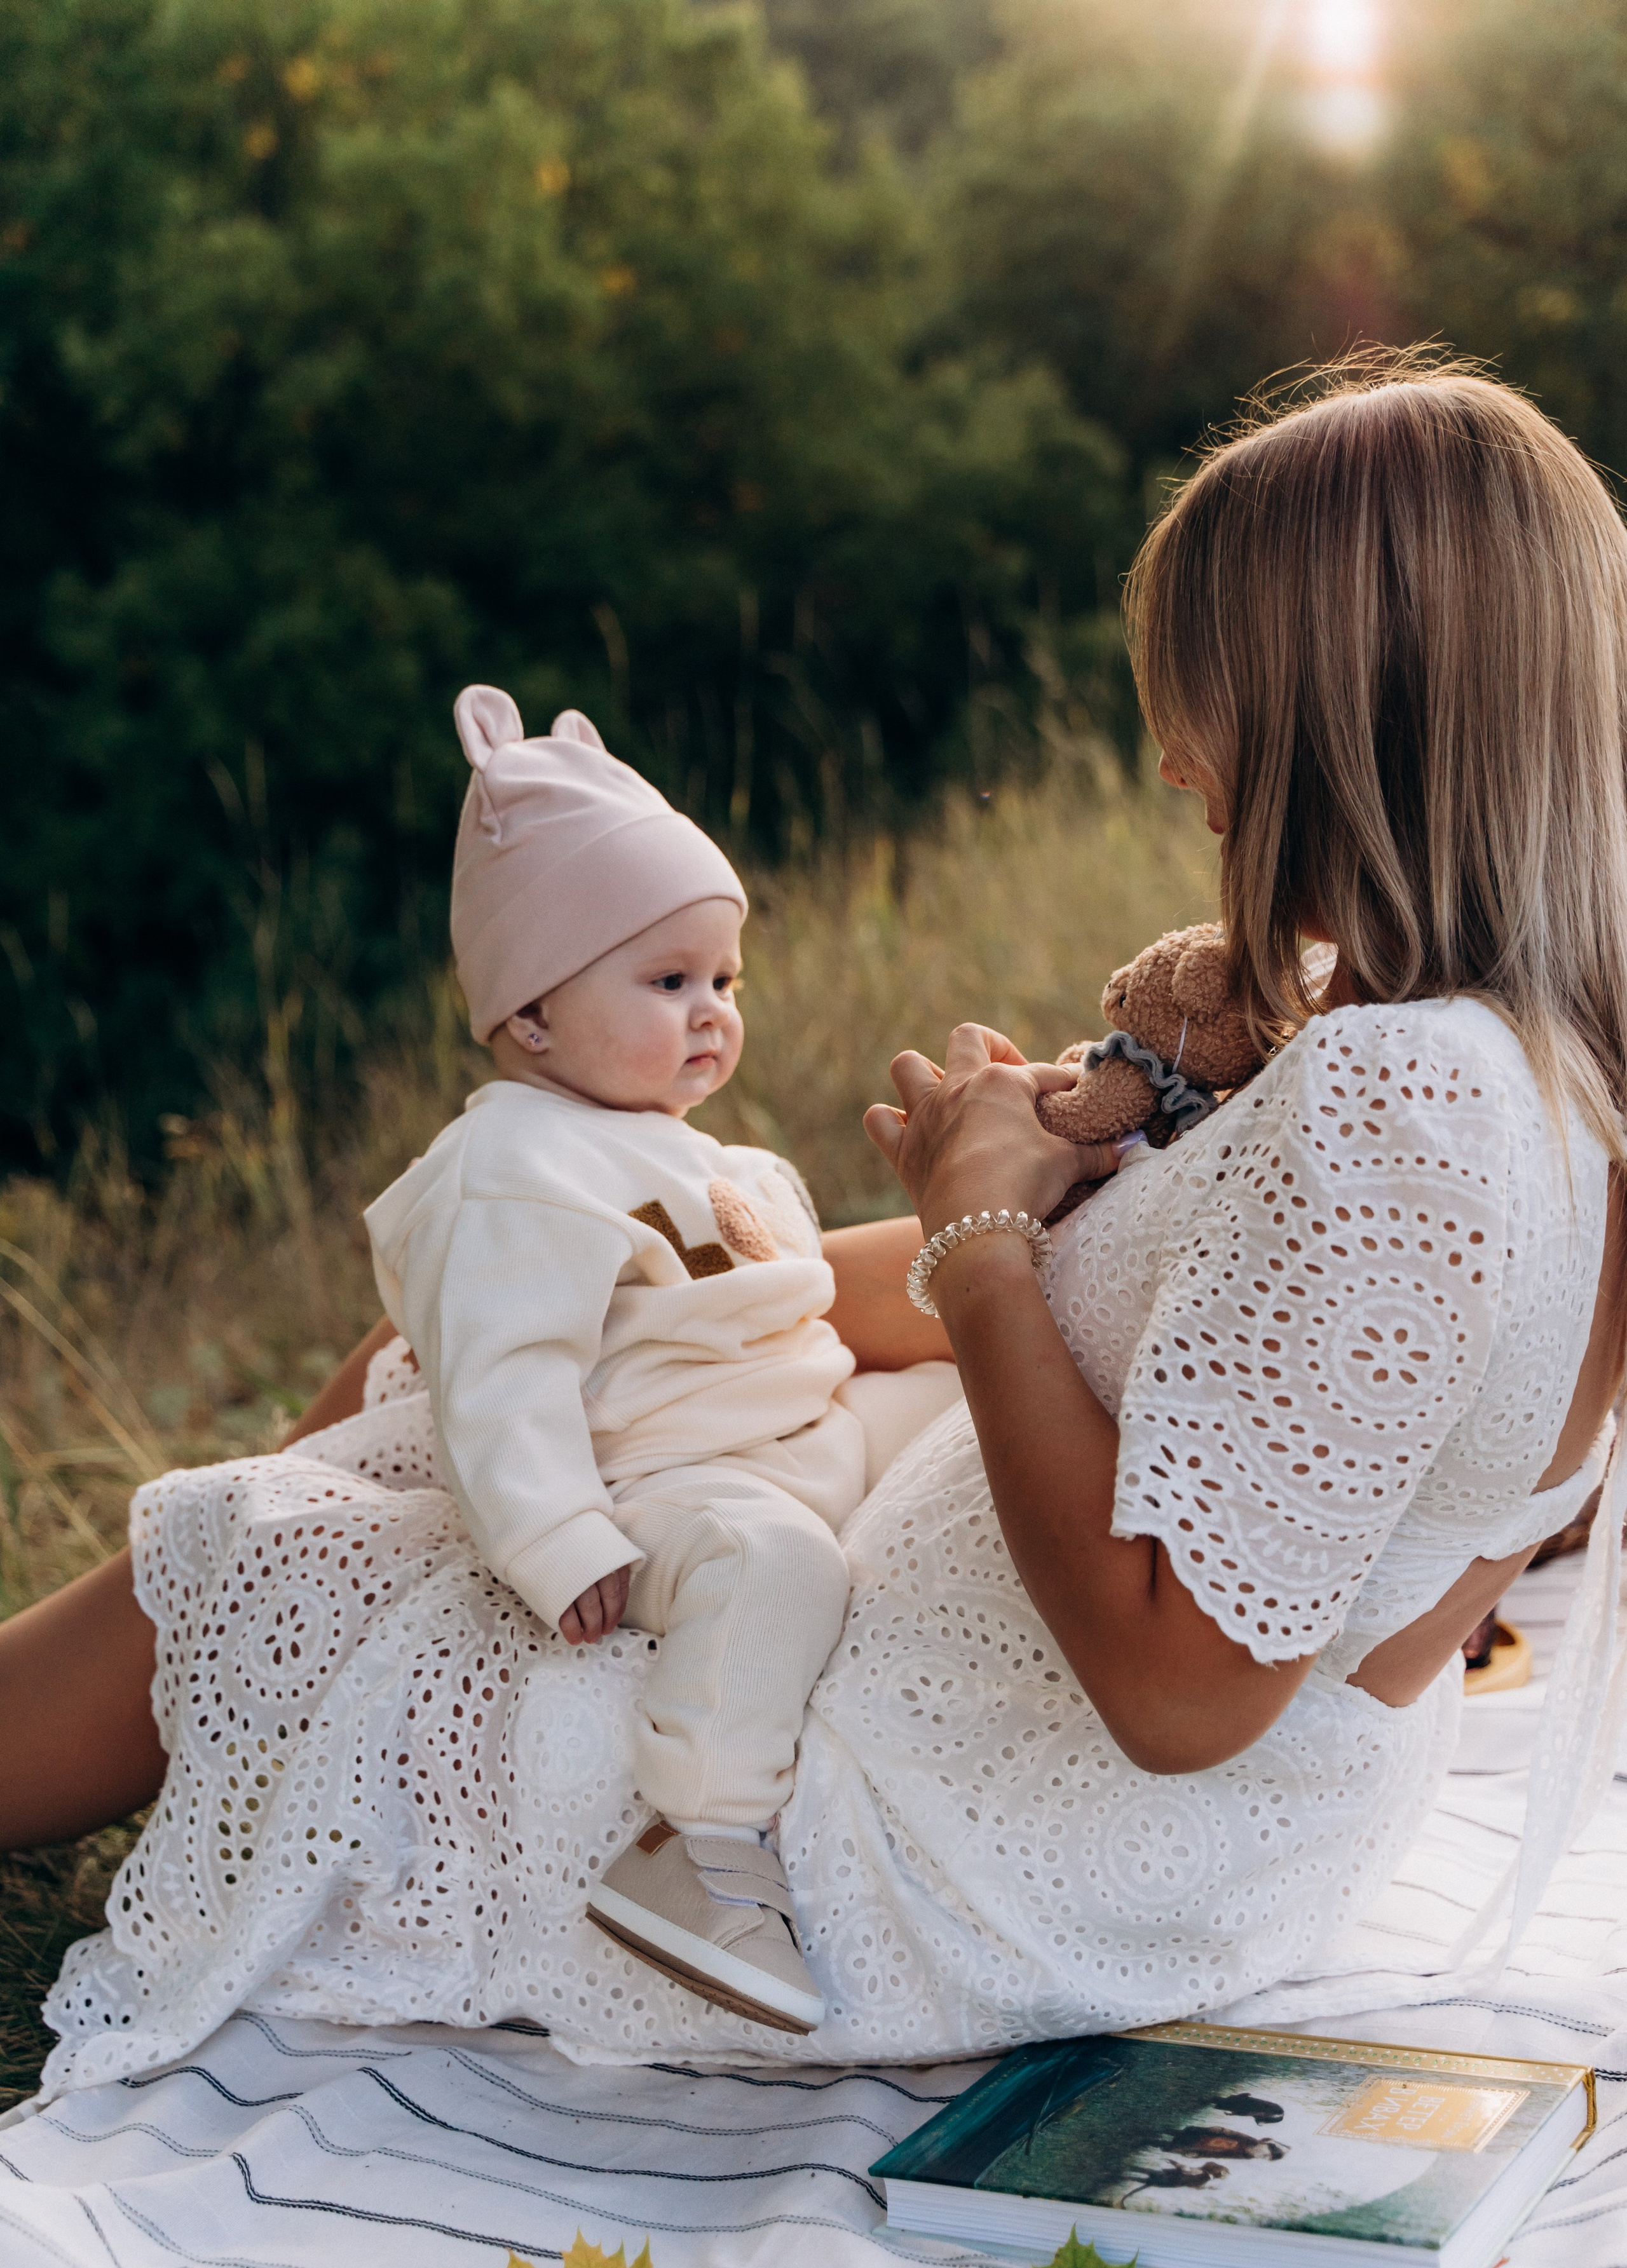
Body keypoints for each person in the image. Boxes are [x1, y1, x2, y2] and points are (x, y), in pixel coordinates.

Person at [6, 353, 1627, 2092]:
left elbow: (1181, 1694)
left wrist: (986, 1238)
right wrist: (1042, 1190)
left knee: (280, 1559)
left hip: (929, 1840)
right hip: (1147, 1839)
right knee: (445, 1368)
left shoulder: (1414, 1110)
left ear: (1341, 712)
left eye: (1209, 700)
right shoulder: (1536, 1070)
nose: (1175, 763)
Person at [359, 681, 944, 2036]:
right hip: (668, 1485)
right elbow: (497, 1377)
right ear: (531, 1018)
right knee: (773, 1564)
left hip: (801, 1437)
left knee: (957, 1410)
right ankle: (700, 1847)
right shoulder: (512, 1164)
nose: (711, 1012)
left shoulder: (702, 1155)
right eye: (667, 980)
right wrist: (560, 1541)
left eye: (723, 981)